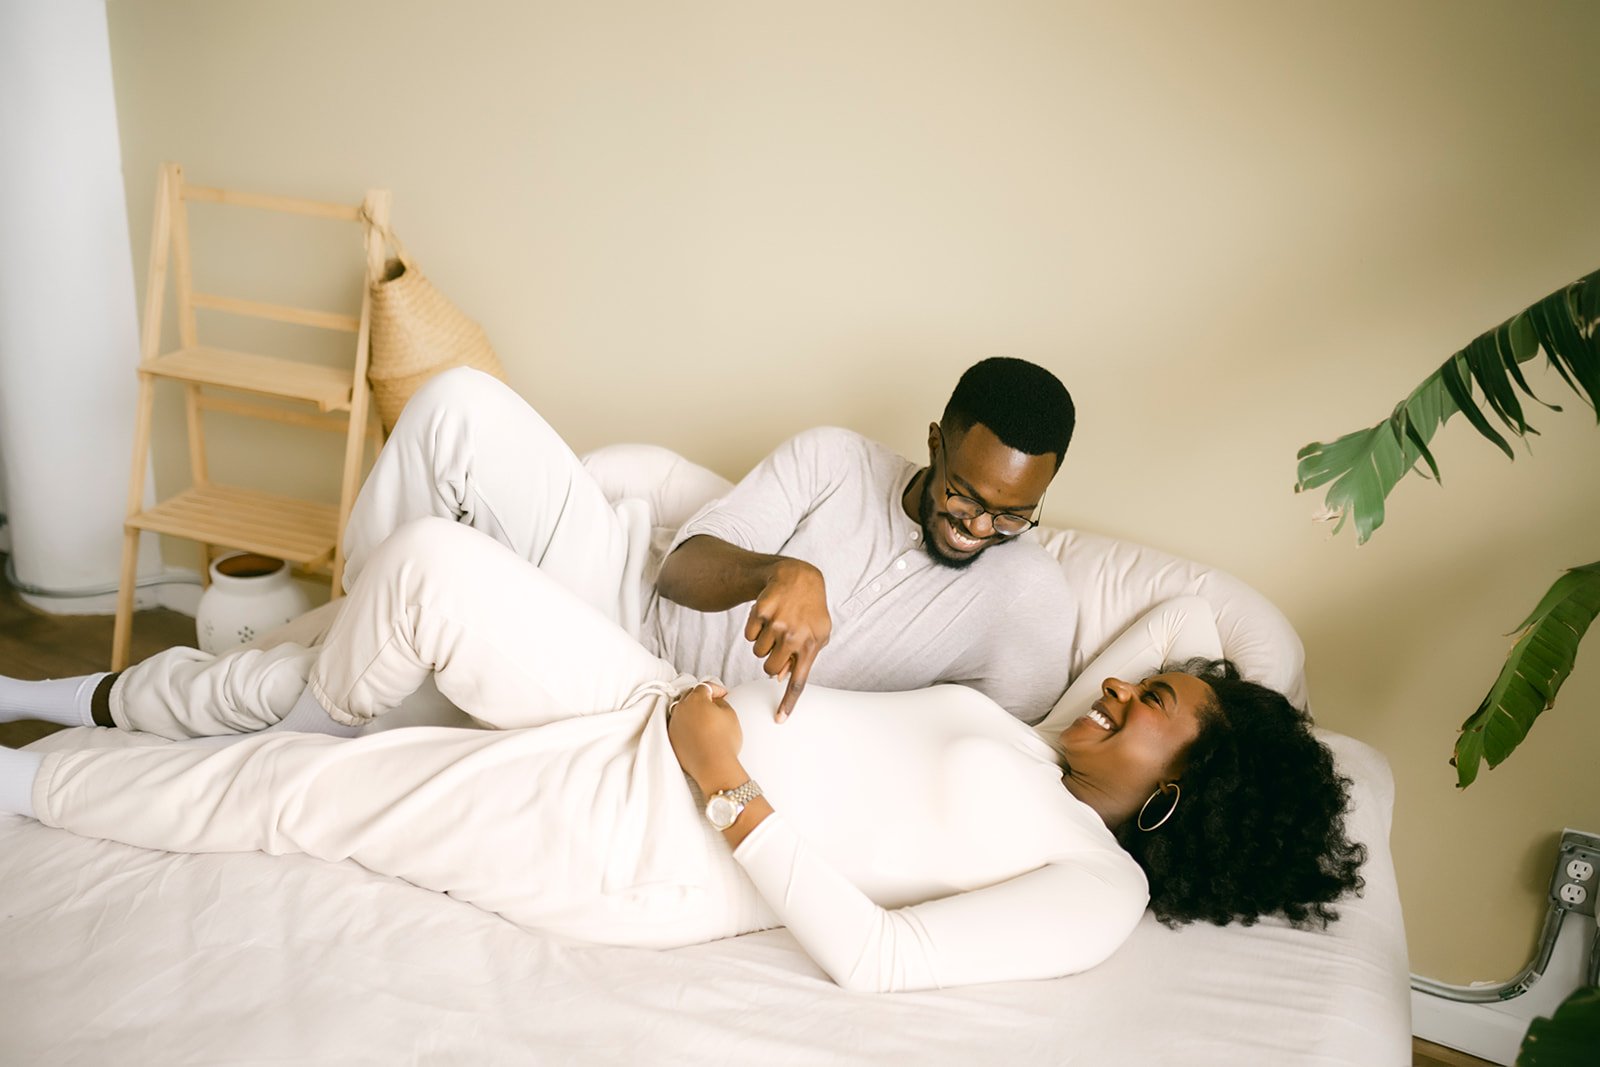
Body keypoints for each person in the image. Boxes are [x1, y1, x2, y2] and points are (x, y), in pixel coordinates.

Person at [0, 519, 1365, 993]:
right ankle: (290, 700)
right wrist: (1196, 687)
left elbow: (884, 960)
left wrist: (726, 780)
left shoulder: (1093, 881)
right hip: (655, 699)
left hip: (649, 834)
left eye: (1154, 699)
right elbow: (1200, 620)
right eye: (1132, 677)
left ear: (1186, 791)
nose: (1121, 682)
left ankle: (24, 770)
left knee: (301, 800)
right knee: (425, 569)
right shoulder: (1045, 742)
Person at [339, 357, 1079, 723]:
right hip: (619, 593)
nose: (979, 527)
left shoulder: (1028, 600)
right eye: (963, 494)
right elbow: (681, 569)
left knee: (440, 562)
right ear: (933, 444)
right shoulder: (836, 460)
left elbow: (1009, 755)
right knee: (456, 402)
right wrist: (780, 571)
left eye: (1012, 514)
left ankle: (351, 669)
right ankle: (353, 641)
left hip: (657, 699)